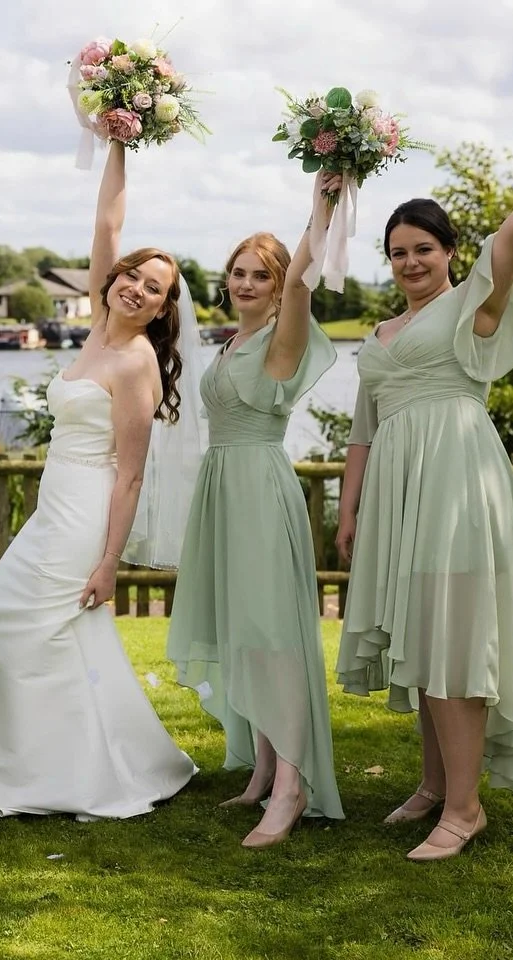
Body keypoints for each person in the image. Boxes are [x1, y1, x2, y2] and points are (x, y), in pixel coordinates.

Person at [335, 100, 513, 861]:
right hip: (396, 490)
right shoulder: (381, 334)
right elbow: (364, 427)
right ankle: (433, 786)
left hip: (456, 480)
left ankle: (464, 808)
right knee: (423, 637)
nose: (410, 262)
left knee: (453, 638)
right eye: (396, 252)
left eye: (422, 248)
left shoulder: (469, 308)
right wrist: (348, 508)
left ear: (451, 252)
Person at [0, 141, 198, 820]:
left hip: (88, 512)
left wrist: (109, 562)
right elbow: (107, 226)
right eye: (133, 277)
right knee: (32, 632)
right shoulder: (96, 330)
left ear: (160, 310)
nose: (137, 288)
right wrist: (118, 141)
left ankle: (64, 773)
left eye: (154, 289)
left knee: (9, 628)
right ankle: (40, 762)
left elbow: (130, 475)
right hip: (55, 506)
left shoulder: (136, 365)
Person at [165, 176, 346, 847]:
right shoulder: (232, 342)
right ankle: (265, 767)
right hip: (223, 488)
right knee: (245, 629)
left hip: (260, 488)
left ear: (275, 285)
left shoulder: (280, 336)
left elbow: (304, 282)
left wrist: (322, 205)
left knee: (272, 635)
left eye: (258, 275)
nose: (245, 283)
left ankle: (293, 785)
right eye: (237, 273)